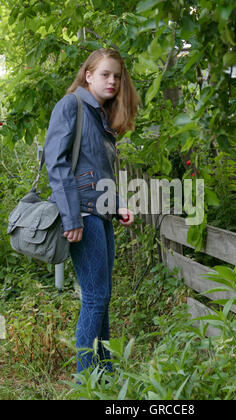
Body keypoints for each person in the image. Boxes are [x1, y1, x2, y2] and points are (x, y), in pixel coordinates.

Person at [44, 48, 139, 375]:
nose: (112, 81)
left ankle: (106, 374)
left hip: (99, 213)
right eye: (105, 74)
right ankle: (87, 382)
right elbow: (57, 165)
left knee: (102, 297)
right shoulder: (71, 105)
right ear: (88, 75)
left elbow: (97, 172)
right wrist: (71, 217)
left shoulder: (101, 115)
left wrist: (117, 206)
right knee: (96, 298)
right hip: (81, 215)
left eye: (116, 76)